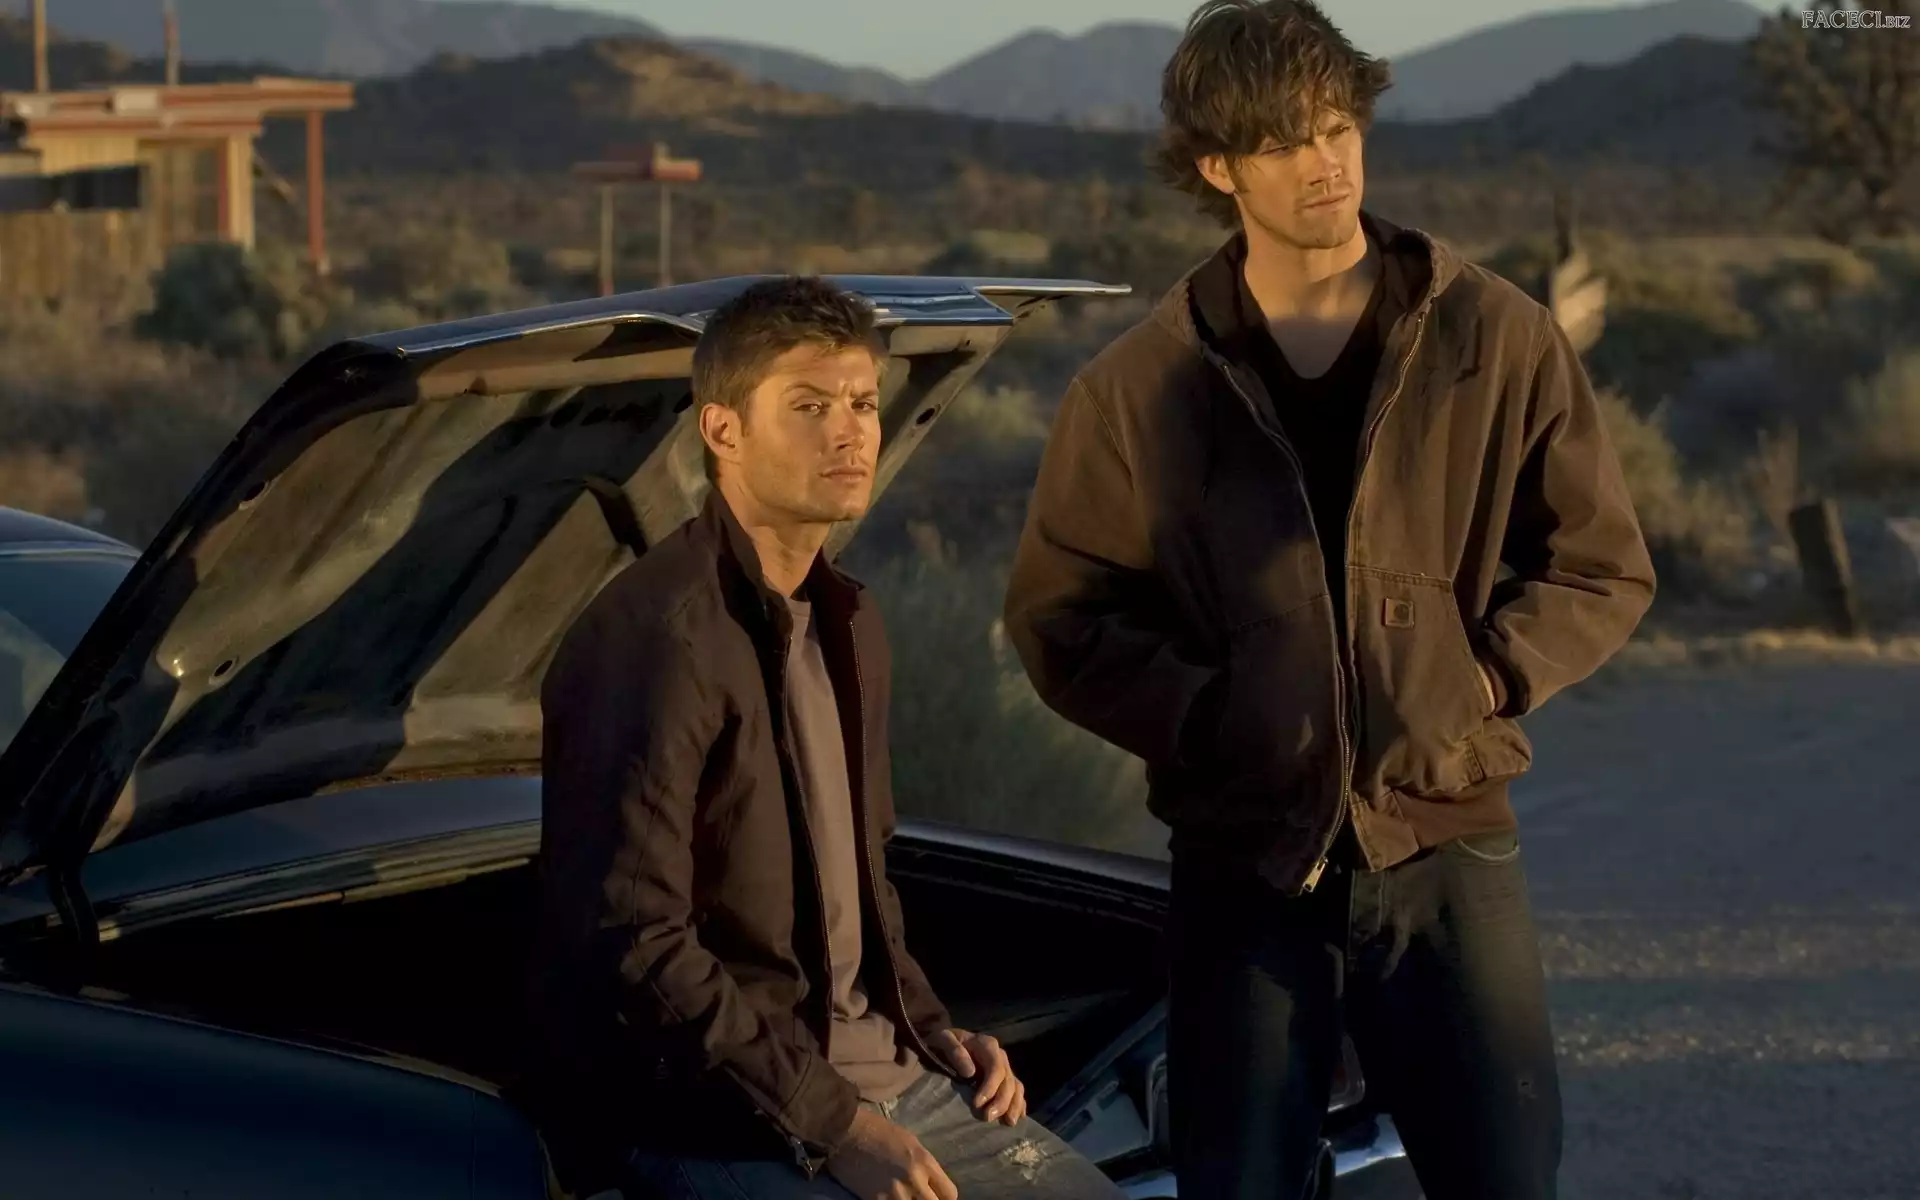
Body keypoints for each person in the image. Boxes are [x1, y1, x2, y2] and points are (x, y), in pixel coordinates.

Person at [1000, 3, 1657, 1199]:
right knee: (1240, 1183)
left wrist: (1481, 680)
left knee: (1507, 1178)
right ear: (1218, 168)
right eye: (1287, 140)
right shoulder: (1140, 384)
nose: (1328, 161)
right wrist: (1215, 719)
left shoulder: (1491, 337)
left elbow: (1599, 564)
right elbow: (1063, 619)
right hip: (1245, 863)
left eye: (1340, 125)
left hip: (1448, 845)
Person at [532, 276, 1126, 1200]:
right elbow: (636, 940)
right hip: (727, 1117)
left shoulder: (847, 621)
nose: (850, 433)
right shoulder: (658, 639)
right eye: (810, 407)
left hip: (888, 1079)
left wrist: (931, 1028)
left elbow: (862, 880)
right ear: (723, 430)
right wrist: (836, 1124)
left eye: (862, 403)